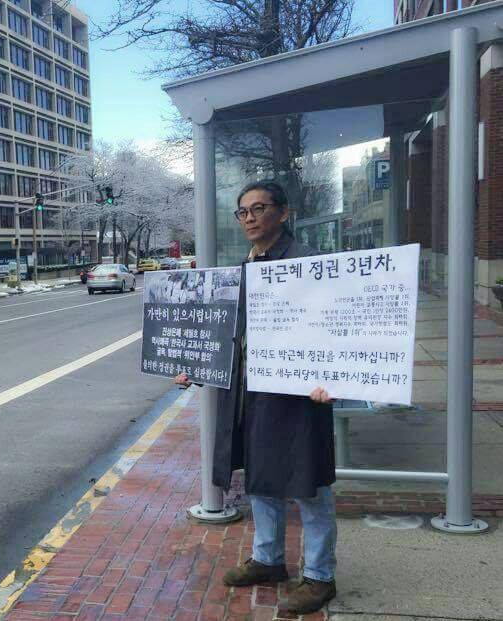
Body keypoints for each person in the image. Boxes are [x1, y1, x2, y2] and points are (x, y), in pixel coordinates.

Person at [174, 180, 337, 615]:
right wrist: (195, 361)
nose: (248, 217)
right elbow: (226, 331)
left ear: (282, 213)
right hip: (253, 393)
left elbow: (336, 328)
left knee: (309, 485)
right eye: (242, 211)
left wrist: (333, 379)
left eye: (258, 208)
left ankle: (320, 577)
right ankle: (268, 560)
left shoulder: (307, 264)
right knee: (261, 478)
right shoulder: (241, 268)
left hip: (300, 396)